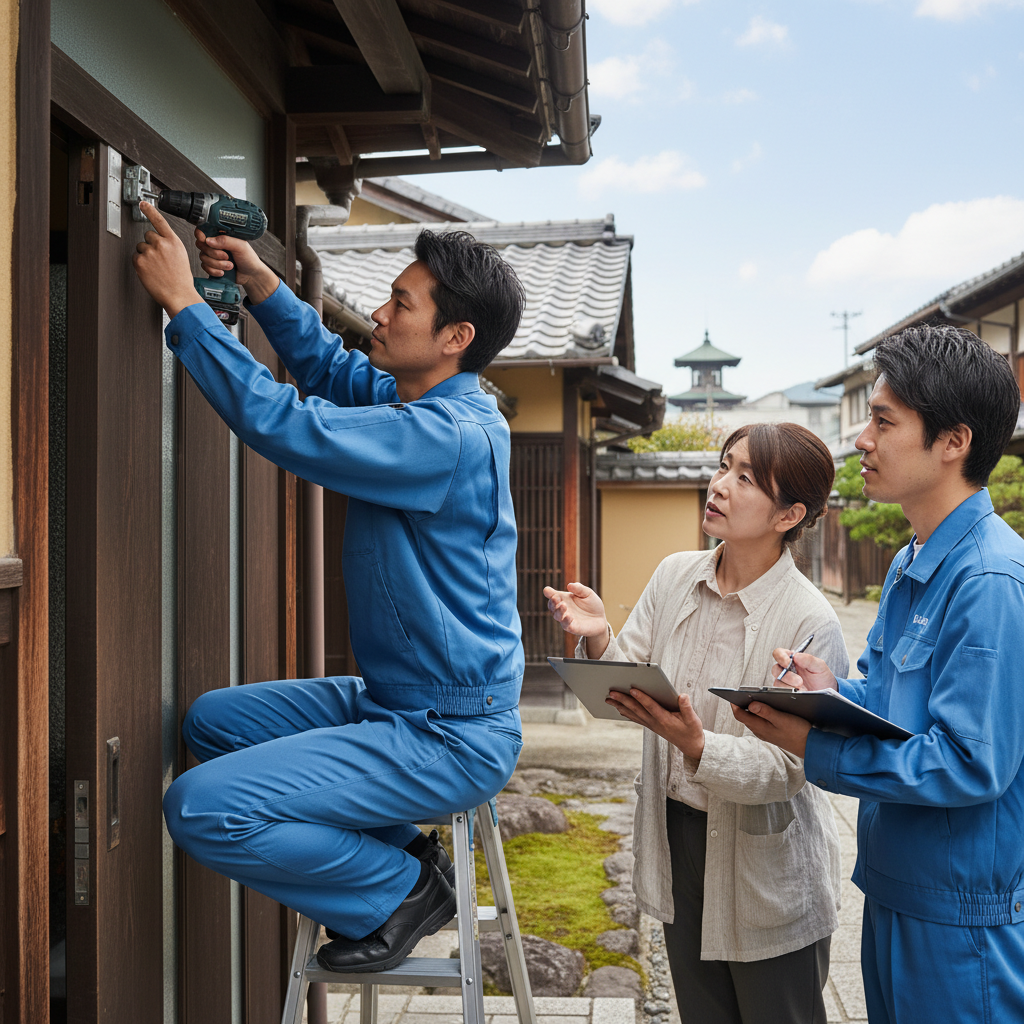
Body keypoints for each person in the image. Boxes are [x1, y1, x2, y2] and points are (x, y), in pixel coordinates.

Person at [131, 202, 526, 973]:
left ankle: (397, 891)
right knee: (214, 724)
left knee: (201, 806)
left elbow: (286, 425)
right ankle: (412, 857)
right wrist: (264, 286)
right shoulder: (421, 404)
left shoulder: (445, 437)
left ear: (456, 338)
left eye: (401, 304)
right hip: (398, 699)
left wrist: (186, 307)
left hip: (450, 732)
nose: (380, 312)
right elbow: (333, 372)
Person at [737, 326, 1024, 1024]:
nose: (861, 439)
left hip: (963, 919)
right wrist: (828, 693)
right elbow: (892, 704)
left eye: (883, 420)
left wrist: (816, 747)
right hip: (899, 888)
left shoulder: (989, 578)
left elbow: (968, 764)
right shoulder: (911, 562)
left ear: (953, 441)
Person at [544, 422, 847, 1024]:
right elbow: (626, 693)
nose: (720, 486)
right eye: (723, 466)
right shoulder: (675, 574)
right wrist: (600, 638)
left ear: (790, 515)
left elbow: (790, 767)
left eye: (745, 479)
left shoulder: (811, 618)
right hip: (679, 834)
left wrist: (698, 746)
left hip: (768, 858)